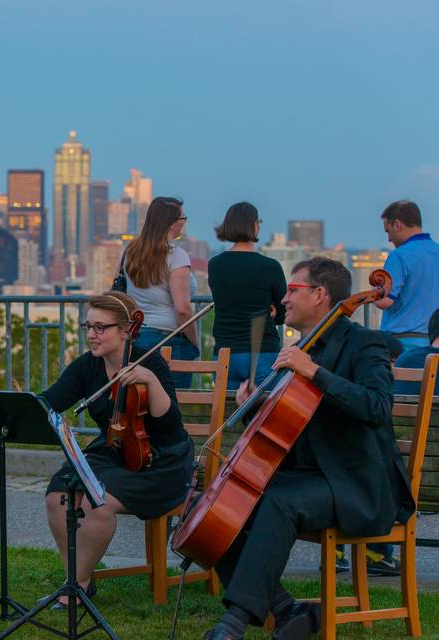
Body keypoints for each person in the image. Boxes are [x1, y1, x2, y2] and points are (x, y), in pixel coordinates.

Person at [203, 257, 414, 640]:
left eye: (292, 290)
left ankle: (232, 626)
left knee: (279, 501)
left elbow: (376, 407)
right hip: (310, 477)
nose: (283, 299)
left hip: (357, 484)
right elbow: (288, 425)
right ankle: (288, 611)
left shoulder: (364, 343)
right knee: (221, 508)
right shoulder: (302, 349)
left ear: (320, 295)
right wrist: (252, 407)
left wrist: (314, 372)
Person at [42, 291, 191, 608]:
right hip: (114, 451)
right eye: (88, 326)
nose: (92, 335)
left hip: (160, 460)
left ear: (126, 330)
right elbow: (50, 401)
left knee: (99, 503)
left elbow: (171, 425)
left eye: (100, 327)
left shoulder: (148, 362)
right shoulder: (87, 366)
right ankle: (79, 580)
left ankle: (75, 587)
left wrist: (151, 381)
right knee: (58, 496)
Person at [119, 197, 198, 388]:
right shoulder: (177, 255)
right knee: (173, 403)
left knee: (142, 403)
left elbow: (118, 292)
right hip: (170, 340)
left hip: (137, 337)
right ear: (171, 223)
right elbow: (182, 309)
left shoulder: (131, 251)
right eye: (182, 218)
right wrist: (194, 341)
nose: (184, 223)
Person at [208, 202, 286, 389]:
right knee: (264, 414)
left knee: (228, 414)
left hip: (225, 353)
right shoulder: (270, 266)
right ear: (255, 226)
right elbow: (284, 311)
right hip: (262, 351)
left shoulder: (215, 264)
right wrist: (272, 311)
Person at [375, 200, 439, 351]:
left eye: (388, 231)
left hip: (403, 343)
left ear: (397, 225)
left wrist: (375, 292)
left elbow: (384, 301)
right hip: (435, 342)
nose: (389, 239)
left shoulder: (399, 256)